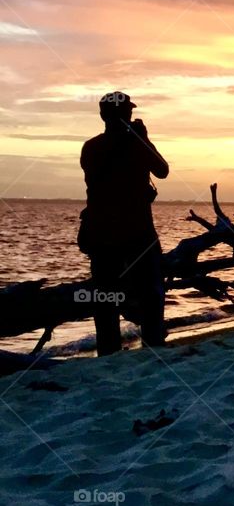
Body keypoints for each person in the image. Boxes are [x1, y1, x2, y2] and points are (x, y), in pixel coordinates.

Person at [78, 92, 169, 355]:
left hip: (101, 233)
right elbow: (162, 170)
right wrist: (144, 138)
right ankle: (154, 347)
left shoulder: (90, 147)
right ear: (125, 115)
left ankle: (108, 352)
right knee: (151, 294)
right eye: (128, 112)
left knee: (105, 298)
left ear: (102, 116)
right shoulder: (137, 144)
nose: (130, 116)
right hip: (137, 231)